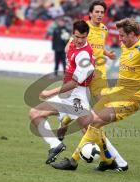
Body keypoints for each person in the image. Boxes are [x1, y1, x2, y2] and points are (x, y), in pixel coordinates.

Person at [53, 18, 140, 171]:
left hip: (131, 99)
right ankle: (107, 160)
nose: (119, 39)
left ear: (133, 34)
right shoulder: (125, 45)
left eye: (122, 35)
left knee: (94, 121)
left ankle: (73, 161)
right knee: (87, 121)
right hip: (117, 92)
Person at [62, 0, 129, 171]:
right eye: (96, 11)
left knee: (100, 116)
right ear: (90, 13)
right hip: (84, 77)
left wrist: (107, 53)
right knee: (89, 120)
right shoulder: (84, 29)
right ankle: (111, 159)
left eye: (102, 12)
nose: (99, 14)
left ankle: (107, 157)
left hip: (99, 76)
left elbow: (99, 48)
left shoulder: (104, 29)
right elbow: (69, 47)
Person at [29, 20, 94, 164]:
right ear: (73, 34)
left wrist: (49, 92)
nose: (79, 40)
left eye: (83, 37)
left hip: (78, 95)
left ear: (87, 36)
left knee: (90, 131)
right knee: (34, 113)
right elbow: (67, 50)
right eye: (76, 36)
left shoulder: (84, 55)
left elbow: (74, 83)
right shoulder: (72, 43)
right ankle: (55, 144)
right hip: (66, 95)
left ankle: (112, 159)